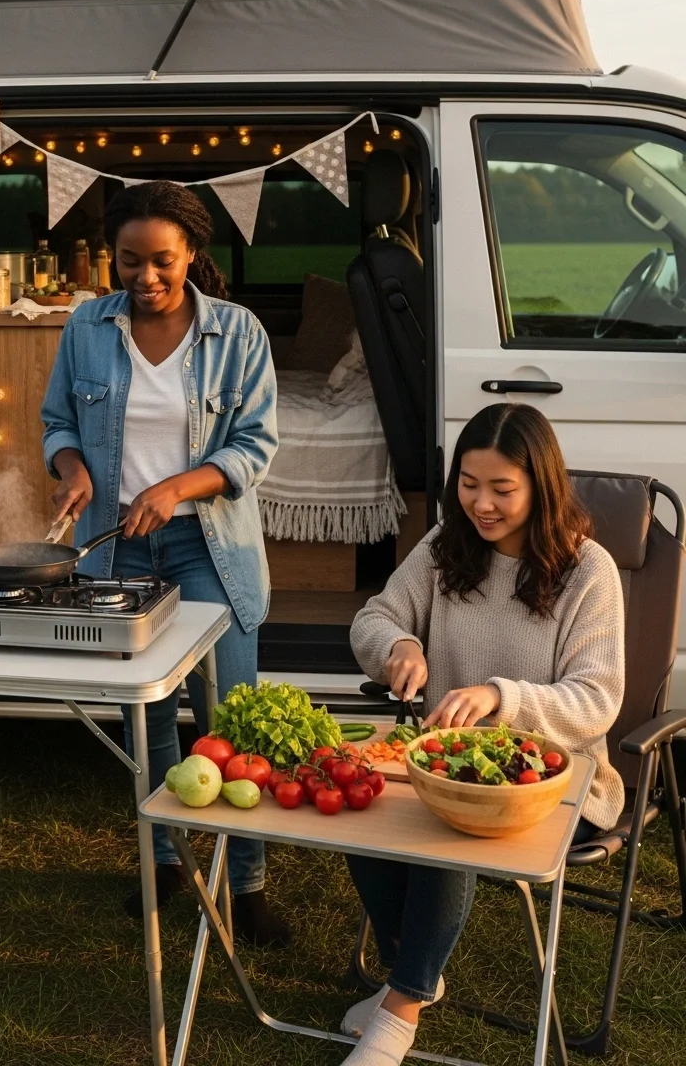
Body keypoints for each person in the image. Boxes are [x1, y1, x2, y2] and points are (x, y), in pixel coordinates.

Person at [40, 181, 289, 946]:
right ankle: (164, 864)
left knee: (229, 718)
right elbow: (57, 423)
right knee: (144, 714)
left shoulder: (237, 333)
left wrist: (175, 486)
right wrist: (75, 471)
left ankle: (245, 882)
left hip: (208, 541)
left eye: (162, 263)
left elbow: (253, 445)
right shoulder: (87, 326)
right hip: (118, 545)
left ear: (192, 256)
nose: (145, 279)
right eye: (129, 263)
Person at [339, 403, 625, 1066]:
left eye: (503, 489)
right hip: (442, 766)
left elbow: (596, 700)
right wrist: (400, 645)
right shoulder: (446, 547)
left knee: (453, 830)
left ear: (542, 486)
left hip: (553, 780)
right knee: (362, 805)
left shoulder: (588, 571)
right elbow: (373, 618)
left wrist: (500, 696)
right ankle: (412, 967)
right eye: (470, 484)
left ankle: (403, 1005)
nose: (482, 504)